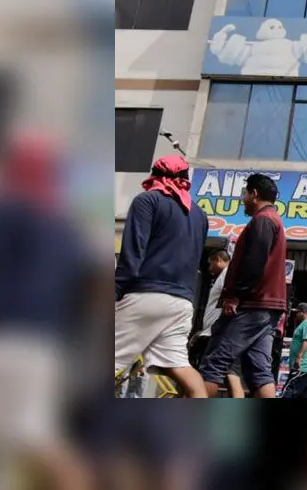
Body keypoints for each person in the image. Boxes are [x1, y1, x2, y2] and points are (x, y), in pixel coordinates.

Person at [114, 155, 209, 398]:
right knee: (180, 367)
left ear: (155, 175)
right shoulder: (198, 214)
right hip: (182, 303)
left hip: (147, 295)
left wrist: (115, 290)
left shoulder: (147, 201)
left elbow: (133, 252)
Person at [199, 173, 288, 398]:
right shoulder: (273, 220)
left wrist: (235, 296)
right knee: (259, 371)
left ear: (254, 194)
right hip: (266, 308)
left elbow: (253, 263)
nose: (242, 199)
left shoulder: (263, 221)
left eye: (245, 193)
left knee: (215, 362)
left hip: (252, 305)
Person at [188, 250, 244, 398]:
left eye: (210, 263)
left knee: (208, 373)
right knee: (232, 374)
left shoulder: (227, 274)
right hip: (224, 332)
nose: (209, 268)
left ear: (218, 260)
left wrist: (212, 329)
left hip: (216, 333)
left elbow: (226, 303)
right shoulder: (226, 276)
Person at [282, 303, 307, 398]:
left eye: (297, 312)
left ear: (303, 312)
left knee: (289, 391)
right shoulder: (305, 323)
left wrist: (299, 357)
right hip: (305, 367)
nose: (296, 314)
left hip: (302, 366)